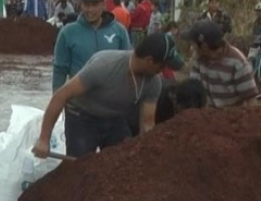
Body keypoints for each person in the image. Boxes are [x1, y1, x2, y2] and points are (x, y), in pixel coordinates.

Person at [33, 32, 184, 158]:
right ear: (149, 61)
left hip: (114, 118)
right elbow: (61, 96)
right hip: (82, 116)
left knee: (124, 159)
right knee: (79, 167)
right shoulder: (105, 66)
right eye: (162, 65)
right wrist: (44, 139)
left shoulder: (153, 83)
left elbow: (147, 123)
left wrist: (147, 153)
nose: (163, 71)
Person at [52, 0, 131, 91]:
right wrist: (57, 100)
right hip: (78, 102)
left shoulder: (119, 31)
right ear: (81, 5)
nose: (90, 9)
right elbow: (59, 69)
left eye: (95, 4)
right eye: (86, 4)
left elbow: (127, 66)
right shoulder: (67, 32)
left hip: (111, 101)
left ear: (103, 5)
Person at [184, 19, 258, 107]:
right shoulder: (199, 58)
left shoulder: (238, 63)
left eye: (193, 44)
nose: (192, 48)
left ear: (204, 46)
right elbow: (193, 87)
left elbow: (251, 101)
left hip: (232, 117)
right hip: (207, 115)